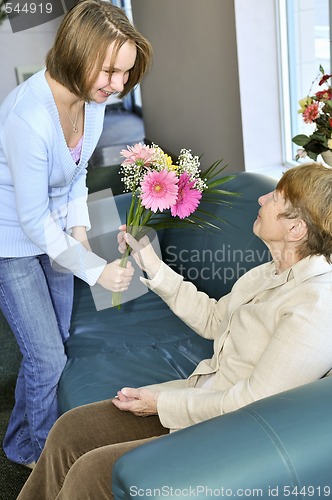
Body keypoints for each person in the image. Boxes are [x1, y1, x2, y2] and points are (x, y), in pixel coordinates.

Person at [17, 162, 332, 499]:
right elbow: (214, 320)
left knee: (93, 472)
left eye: (275, 198)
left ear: (296, 229)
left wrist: (161, 403)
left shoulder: (316, 305)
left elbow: (253, 405)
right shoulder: (270, 271)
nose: (261, 199)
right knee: (72, 428)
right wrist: (152, 264)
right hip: (202, 400)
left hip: (233, 433)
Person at [0, 0, 152, 468]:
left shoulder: (94, 105)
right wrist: (92, 269)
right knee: (46, 357)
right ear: (75, 52)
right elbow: (30, 219)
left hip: (58, 235)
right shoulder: (29, 116)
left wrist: (82, 235)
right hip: (14, 242)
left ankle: (19, 438)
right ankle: (40, 454)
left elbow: (77, 177)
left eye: (125, 74)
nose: (118, 85)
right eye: (108, 71)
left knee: (53, 344)